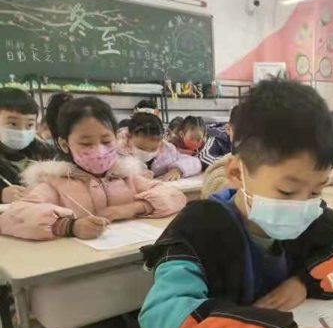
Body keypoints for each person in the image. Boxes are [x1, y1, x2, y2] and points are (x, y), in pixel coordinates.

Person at [138, 79, 333, 328]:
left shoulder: (311, 215)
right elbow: (164, 319)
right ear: (236, 172)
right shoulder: (200, 228)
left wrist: (305, 282)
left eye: (317, 190)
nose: (302, 204)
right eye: (287, 191)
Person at [0, 97, 186, 240]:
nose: (99, 150)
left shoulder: (126, 176)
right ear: (65, 145)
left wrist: (130, 209)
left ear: (116, 138)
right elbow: (12, 217)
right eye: (86, 143)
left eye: (106, 141)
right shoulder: (56, 184)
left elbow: (175, 196)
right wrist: (69, 226)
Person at [0, 88, 54, 204]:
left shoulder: (47, 155)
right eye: (13, 124)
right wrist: (1, 195)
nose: (22, 131)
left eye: (29, 125)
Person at [118, 112, 201, 182]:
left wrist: (178, 170)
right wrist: (133, 174)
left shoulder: (167, 150)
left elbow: (195, 162)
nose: (147, 152)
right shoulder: (116, 152)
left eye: (153, 149)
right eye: (141, 148)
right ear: (129, 136)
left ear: (161, 141)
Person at [198, 105, 239, 171]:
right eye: (239, 133)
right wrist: (232, 161)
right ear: (228, 129)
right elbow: (204, 157)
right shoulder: (218, 135)